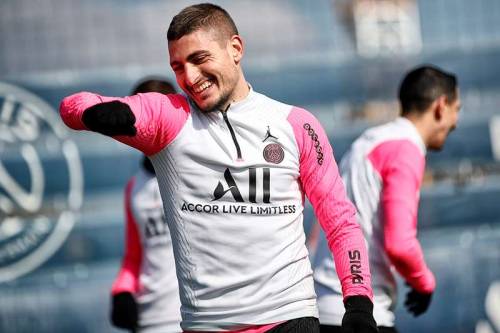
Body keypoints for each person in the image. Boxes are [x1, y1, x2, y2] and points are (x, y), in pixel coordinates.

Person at [60, 3, 377, 332]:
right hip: (206, 324)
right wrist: (96, 115)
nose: (190, 78)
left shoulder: (297, 124)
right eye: (178, 67)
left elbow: (339, 220)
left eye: (199, 59)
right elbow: (73, 105)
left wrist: (358, 302)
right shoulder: (169, 116)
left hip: (290, 317)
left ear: (235, 49)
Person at [313, 65, 461, 333]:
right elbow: (400, 244)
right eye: (456, 109)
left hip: (324, 308)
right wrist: (424, 283)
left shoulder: (367, 141)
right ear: (441, 106)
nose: (456, 122)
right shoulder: (406, 149)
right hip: (362, 314)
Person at [110, 79, 182, 333]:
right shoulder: (134, 187)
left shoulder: (203, 169)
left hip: (205, 316)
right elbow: (134, 256)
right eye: (140, 113)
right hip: (152, 321)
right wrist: (122, 291)